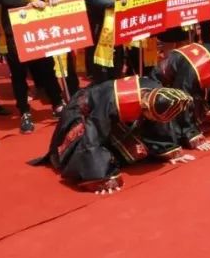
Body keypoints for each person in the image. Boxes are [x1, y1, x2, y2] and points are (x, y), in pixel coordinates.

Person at [30, 76, 195, 194]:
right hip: (86, 112)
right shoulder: (113, 103)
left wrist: (168, 150)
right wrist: (101, 176)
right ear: (145, 105)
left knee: (136, 152)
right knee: (117, 151)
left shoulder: (156, 92)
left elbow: (158, 121)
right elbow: (92, 135)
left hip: (112, 112)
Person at [0, 0, 66, 133]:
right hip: (17, 20)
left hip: (42, 20)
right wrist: (24, 3)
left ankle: (58, 104)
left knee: (46, 65)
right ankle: (24, 111)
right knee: (18, 70)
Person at [87, 0, 151, 83]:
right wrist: (125, 1)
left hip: (120, 13)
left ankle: (116, 78)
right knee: (98, 50)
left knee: (119, 49)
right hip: (99, 14)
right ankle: (100, 82)